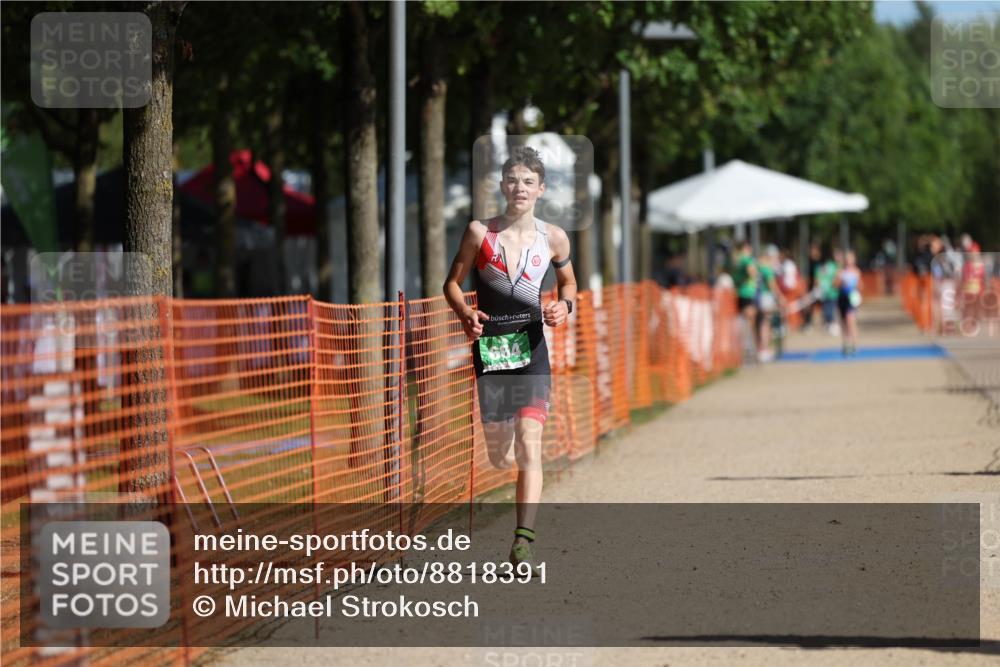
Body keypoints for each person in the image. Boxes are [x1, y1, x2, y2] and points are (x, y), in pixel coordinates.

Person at [443, 146, 576, 571]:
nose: (519, 188)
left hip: (533, 351)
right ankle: (517, 507)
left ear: (541, 189)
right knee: (502, 456)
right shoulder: (480, 233)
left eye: (528, 182)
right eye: (513, 180)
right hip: (492, 352)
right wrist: (465, 311)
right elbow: (451, 283)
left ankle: (523, 542)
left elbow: (569, 284)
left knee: (530, 445)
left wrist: (564, 307)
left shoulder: (554, 237)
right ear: (502, 186)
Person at [732, 240, 759, 354]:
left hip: (744, 293)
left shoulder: (738, 260)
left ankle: (747, 347)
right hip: (747, 293)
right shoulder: (746, 259)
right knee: (749, 321)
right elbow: (752, 273)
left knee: (746, 320)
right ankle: (749, 348)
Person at [836, 250, 862, 356]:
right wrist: (841, 283)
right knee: (843, 323)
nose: (848, 261)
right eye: (846, 259)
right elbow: (835, 284)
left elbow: (860, 286)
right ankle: (845, 345)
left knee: (850, 321)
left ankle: (854, 345)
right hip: (842, 298)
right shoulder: (840, 272)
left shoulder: (856, 271)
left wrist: (855, 289)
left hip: (851, 300)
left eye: (850, 259)